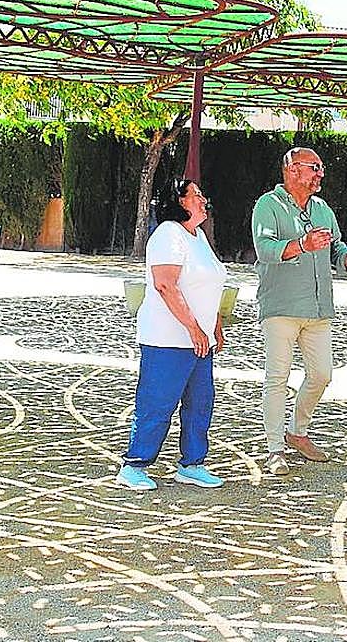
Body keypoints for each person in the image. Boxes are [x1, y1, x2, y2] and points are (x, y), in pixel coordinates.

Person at [251, 147, 347, 476]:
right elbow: (266, 249)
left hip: (318, 308)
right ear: (292, 170)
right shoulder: (267, 206)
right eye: (314, 168)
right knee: (277, 379)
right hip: (281, 307)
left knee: (322, 374)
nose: (320, 174)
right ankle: (275, 449)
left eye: (321, 168)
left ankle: (297, 432)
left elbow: (337, 245)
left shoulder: (322, 209)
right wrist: (302, 244)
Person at [116, 179, 228, 491]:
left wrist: (213, 324)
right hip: (168, 339)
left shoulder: (199, 237)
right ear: (179, 201)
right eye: (196, 195)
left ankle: (192, 464)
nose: (203, 199)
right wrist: (193, 327)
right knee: (158, 402)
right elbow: (166, 284)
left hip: (199, 341)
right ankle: (134, 465)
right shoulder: (168, 233)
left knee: (200, 402)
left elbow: (208, 284)